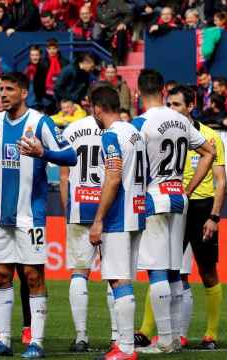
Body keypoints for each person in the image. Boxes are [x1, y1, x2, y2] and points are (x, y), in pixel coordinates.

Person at [0, 72, 77, 358]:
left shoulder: (40, 122)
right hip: (0, 216)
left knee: (33, 276)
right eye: (0, 89)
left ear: (23, 92)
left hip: (30, 217)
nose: (3, 94)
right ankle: (5, 341)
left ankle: (36, 341)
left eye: (9, 89)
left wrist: (42, 152)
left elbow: (70, 156)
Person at [132, 69, 215, 354]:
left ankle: (166, 340)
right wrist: (189, 188)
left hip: (154, 197)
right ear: (164, 92)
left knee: (157, 271)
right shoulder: (181, 120)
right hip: (179, 196)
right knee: (175, 270)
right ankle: (177, 336)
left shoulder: (140, 123)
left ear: (138, 93)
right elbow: (209, 152)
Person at [88, 85, 146, 360]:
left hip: (119, 215)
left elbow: (113, 178)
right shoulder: (134, 131)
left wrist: (98, 220)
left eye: (92, 108)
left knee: (118, 279)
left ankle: (125, 347)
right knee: (123, 279)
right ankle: (124, 344)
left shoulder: (111, 136)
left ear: (98, 108)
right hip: (137, 211)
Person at [59, 106, 104, 353]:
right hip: (109, 209)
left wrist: (68, 210)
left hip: (79, 206)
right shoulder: (114, 128)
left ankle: (81, 337)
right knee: (114, 275)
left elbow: (64, 177)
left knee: (79, 272)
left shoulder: (72, 130)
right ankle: (117, 337)